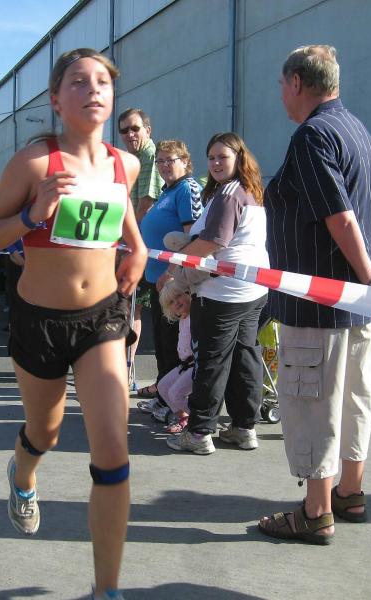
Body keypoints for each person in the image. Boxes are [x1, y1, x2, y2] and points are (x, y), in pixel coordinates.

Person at [0, 48, 146, 600]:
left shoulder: (125, 164)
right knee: (44, 432)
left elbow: (124, 215)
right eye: (78, 81)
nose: (93, 90)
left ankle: (107, 589)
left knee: (112, 450)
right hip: (40, 321)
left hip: (102, 320)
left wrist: (138, 249)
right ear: (55, 99)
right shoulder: (34, 163)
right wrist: (31, 215)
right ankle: (23, 474)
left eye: (102, 82)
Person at [258, 45, 371, 545]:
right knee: (355, 398)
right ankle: (350, 492)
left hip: (316, 306)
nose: (281, 93)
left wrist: (368, 272)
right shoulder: (358, 132)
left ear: (297, 82)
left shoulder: (312, 135)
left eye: (282, 84)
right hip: (357, 307)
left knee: (311, 402)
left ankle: (316, 511)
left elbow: (338, 216)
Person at [163, 132, 269, 455]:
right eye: (211, 157)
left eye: (223, 157)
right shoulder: (248, 191)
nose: (215, 163)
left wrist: (179, 264)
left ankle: (199, 433)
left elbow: (213, 243)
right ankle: (243, 428)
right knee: (244, 357)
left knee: (211, 361)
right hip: (252, 290)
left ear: (239, 157)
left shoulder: (229, 194)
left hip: (221, 293)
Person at [137, 140, 202, 404]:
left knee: (176, 346)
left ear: (185, 161)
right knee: (162, 344)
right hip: (158, 281)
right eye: (160, 161)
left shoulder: (187, 189)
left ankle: (176, 404)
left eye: (170, 160)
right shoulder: (167, 191)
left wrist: (171, 272)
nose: (164, 165)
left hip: (174, 282)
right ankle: (164, 396)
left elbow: (193, 238)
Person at [117, 108, 165, 390]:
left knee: (131, 308)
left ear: (147, 130)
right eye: (124, 130)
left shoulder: (149, 157)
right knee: (126, 307)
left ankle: (127, 370)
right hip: (136, 245)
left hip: (141, 248)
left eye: (134, 128)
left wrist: (126, 241)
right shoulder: (132, 159)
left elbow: (145, 204)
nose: (129, 134)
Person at [156, 280, 194, 433]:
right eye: (171, 302)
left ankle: (195, 420)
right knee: (162, 386)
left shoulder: (195, 316)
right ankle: (184, 417)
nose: (176, 302)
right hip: (185, 365)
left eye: (178, 296)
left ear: (188, 294)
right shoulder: (183, 319)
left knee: (175, 393)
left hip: (196, 365)